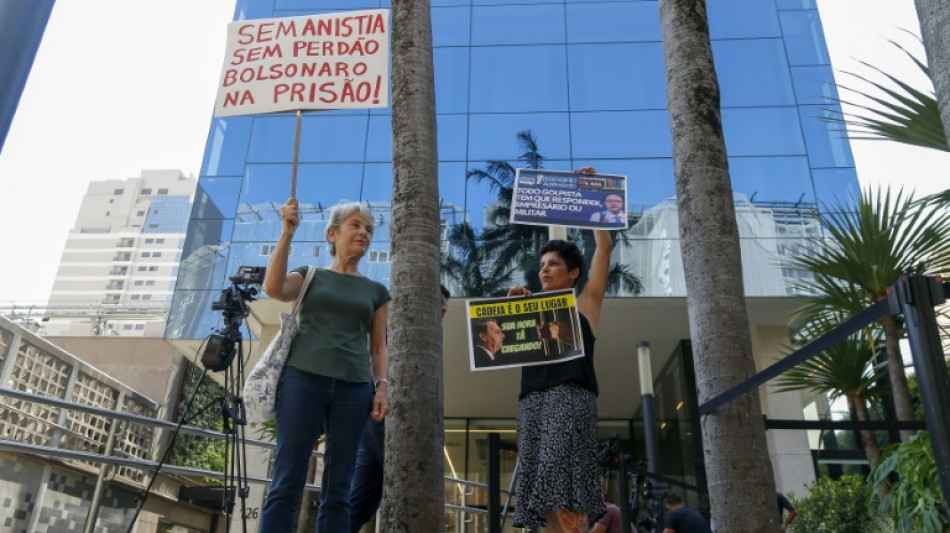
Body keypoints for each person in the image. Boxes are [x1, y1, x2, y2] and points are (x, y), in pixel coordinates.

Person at [259, 199, 391, 533]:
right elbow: (274, 288)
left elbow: (378, 347)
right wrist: (287, 233)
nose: (364, 233)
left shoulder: (376, 291)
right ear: (332, 233)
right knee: (287, 478)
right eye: (355, 225)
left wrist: (382, 387)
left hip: (355, 388)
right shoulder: (310, 275)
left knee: (339, 489)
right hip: (302, 381)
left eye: (369, 229)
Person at [507, 166, 612, 533]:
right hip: (531, 401)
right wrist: (514, 312)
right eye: (541, 265)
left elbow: (604, 247)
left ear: (573, 273)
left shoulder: (585, 304)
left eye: (554, 264)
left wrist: (592, 194)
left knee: (558, 473)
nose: (545, 270)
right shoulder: (528, 306)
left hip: (570, 397)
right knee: (539, 478)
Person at [348, 284, 451, 533]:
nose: (443, 308)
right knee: (355, 507)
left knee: (363, 506)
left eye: (445, 305)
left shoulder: (428, 342)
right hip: (376, 425)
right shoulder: (388, 333)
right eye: (438, 301)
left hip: (391, 430)